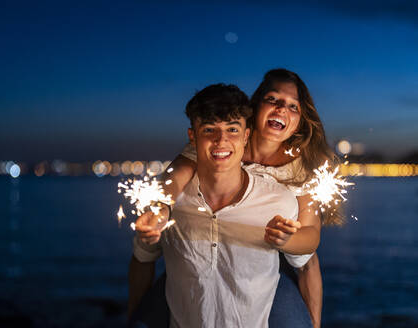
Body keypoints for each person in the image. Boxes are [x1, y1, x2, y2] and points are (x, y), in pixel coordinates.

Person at [130, 69, 337, 328]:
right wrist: (161, 208)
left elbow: (309, 239)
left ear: (300, 118)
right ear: (256, 105)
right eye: (273, 99)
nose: (282, 109)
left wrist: (289, 238)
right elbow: (177, 174)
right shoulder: (222, 142)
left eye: (293, 106)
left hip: (271, 254)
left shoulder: (300, 169)